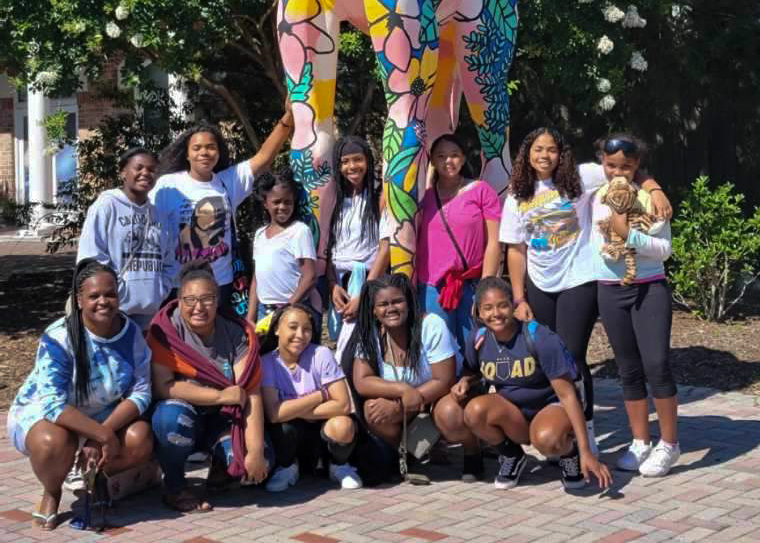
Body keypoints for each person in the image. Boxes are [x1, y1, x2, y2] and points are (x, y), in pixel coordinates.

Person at [499, 127, 672, 455]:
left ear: (561, 153)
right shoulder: (517, 193)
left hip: (579, 279)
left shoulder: (581, 176)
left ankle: (585, 431)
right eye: (538, 149)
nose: (544, 156)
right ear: (527, 153)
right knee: (547, 359)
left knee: (572, 358)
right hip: (539, 283)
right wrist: (519, 297)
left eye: (551, 149)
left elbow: (625, 166)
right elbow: (515, 249)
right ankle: (556, 430)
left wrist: (655, 188)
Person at [7, 259, 153, 530]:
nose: (103, 301)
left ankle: (97, 478)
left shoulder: (131, 334)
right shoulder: (59, 336)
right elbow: (52, 404)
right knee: (54, 444)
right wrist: (103, 434)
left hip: (101, 414)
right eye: (94, 295)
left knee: (140, 437)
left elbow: (142, 392)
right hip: (48, 416)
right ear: (79, 300)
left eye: (110, 294)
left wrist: (102, 434)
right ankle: (52, 491)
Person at [447, 277, 612, 490]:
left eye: (502, 305)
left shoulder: (539, 337)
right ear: (478, 312)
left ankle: (569, 455)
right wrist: (464, 381)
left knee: (547, 438)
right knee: (474, 411)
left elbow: (568, 394)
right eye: (487, 308)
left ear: (513, 306)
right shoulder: (478, 339)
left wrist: (586, 449)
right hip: (514, 414)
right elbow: (473, 371)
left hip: (551, 409)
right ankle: (511, 455)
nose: (495, 314)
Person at [148, 260, 271, 513]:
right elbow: (163, 387)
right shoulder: (165, 331)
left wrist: (256, 451)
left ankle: (220, 468)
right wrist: (219, 395)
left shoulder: (237, 332)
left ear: (217, 300)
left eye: (207, 299)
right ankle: (174, 485)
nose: (198, 307)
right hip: (185, 414)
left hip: (223, 419)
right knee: (170, 419)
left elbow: (250, 392)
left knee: (262, 462)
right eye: (190, 300)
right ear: (179, 300)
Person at [591, 134, 679, 477]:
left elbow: (664, 249)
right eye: (611, 166)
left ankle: (670, 443)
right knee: (627, 369)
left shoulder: (648, 197)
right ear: (602, 163)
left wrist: (630, 236)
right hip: (610, 289)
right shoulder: (595, 194)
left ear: (637, 165)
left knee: (656, 365)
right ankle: (641, 441)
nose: (617, 173)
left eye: (626, 167)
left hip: (648, 288)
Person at [151, 103, 293, 309]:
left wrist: (289, 115)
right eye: (197, 148)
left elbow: (263, 158)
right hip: (178, 285)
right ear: (187, 154)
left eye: (211, 147)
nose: (204, 152)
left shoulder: (227, 182)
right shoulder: (168, 185)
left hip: (220, 284)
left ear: (218, 152)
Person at [344, 274, 457, 458]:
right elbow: (362, 381)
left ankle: (471, 451)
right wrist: (402, 390)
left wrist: (402, 407)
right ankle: (410, 452)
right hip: (405, 399)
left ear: (409, 302)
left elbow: (445, 380)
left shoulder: (431, 325)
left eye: (397, 302)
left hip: (437, 398)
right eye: (383, 304)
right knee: (372, 410)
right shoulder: (369, 332)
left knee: (450, 413)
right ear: (373, 310)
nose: (391, 309)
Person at [259, 304, 362, 491]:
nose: (300, 334)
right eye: (293, 327)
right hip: (290, 431)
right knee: (283, 428)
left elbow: (343, 405)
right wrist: (320, 395)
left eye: (306, 329)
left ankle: (337, 465)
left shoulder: (321, 354)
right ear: (276, 329)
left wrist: (294, 410)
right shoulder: (266, 362)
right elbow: (274, 414)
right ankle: (288, 467)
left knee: (343, 425)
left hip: (320, 430)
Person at [416, 134, 502, 352]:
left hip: (472, 284)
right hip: (432, 287)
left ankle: (474, 385)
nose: (448, 161)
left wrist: (486, 286)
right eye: (441, 156)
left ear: (463, 159)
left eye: (454, 155)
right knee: (439, 349)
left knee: (475, 346)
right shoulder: (422, 198)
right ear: (432, 161)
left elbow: (494, 242)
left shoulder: (481, 191)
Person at [77, 147, 175, 330]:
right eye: (138, 168)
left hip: (149, 312)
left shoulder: (160, 216)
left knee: (143, 358)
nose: (145, 173)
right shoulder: (106, 206)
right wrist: (116, 292)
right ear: (123, 172)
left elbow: (170, 262)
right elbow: (91, 258)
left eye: (151, 170)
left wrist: (159, 291)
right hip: (112, 312)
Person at [325, 136, 390, 341]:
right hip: (340, 284)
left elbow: (385, 248)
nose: (352, 166)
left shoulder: (379, 197)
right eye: (345, 162)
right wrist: (332, 285)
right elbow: (326, 247)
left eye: (358, 159)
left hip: (370, 282)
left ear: (368, 161)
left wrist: (364, 294)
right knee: (342, 344)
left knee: (368, 343)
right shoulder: (332, 200)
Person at [246, 170, 318, 327]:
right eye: (276, 202)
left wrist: (287, 309)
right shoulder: (260, 235)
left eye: (288, 202)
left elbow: (310, 276)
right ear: (265, 203)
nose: (282, 207)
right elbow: (256, 279)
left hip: (292, 310)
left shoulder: (299, 231)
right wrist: (251, 317)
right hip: (263, 312)